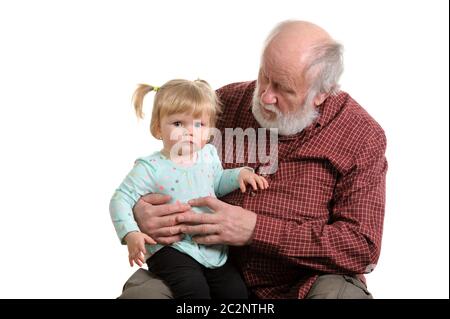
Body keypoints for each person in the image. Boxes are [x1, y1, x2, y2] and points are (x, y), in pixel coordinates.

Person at [118, 20, 387, 299]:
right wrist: (140, 213)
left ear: (321, 94)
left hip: (304, 285)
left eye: (283, 88)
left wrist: (257, 230)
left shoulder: (361, 136)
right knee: (144, 295)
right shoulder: (223, 104)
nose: (266, 95)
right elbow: (164, 171)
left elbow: (361, 247)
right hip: (203, 268)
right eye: (265, 76)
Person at [110, 79, 268, 299]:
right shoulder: (151, 167)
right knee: (194, 291)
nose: (189, 132)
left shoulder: (208, 155)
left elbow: (217, 183)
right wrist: (131, 232)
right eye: (178, 124)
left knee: (235, 293)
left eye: (198, 125)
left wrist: (240, 174)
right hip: (171, 249)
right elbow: (120, 199)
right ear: (157, 128)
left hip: (209, 248)